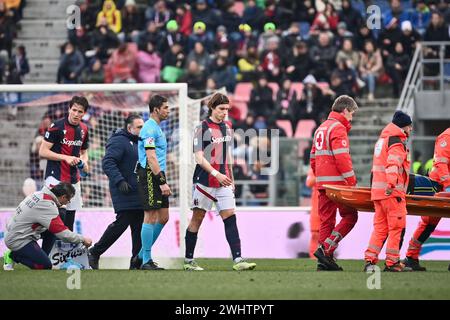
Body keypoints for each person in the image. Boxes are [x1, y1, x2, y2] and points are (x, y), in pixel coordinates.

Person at [184, 93, 257, 271]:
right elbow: (199, 157)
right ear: (212, 108)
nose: (225, 112)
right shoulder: (202, 127)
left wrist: (230, 176)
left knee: (230, 217)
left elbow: (227, 153)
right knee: (197, 219)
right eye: (221, 109)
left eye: (227, 109)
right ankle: (188, 261)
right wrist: (216, 173)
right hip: (204, 182)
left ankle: (238, 260)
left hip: (223, 181)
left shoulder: (228, 126)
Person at [88, 115, 145, 270]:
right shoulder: (119, 140)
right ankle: (94, 252)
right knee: (122, 222)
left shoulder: (140, 142)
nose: (142, 129)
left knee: (139, 226)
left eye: (143, 126)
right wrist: (120, 181)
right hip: (124, 190)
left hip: (138, 191)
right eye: (139, 126)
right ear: (129, 128)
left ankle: (136, 261)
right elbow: (108, 162)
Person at [310, 95, 359, 271]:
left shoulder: (321, 128)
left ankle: (324, 262)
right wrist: (351, 180)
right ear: (345, 110)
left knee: (326, 222)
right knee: (350, 216)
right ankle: (326, 250)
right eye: (351, 113)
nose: (351, 117)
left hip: (323, 184)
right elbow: (342, 157)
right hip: (338, 185)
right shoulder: (338, 128)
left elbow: (313, 158)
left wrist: (320, 177)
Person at [39, 96, 90, 254]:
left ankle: (63, 257)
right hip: (55, 178)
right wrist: (65, 158)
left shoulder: (84, 129)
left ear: (84, 113)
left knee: (69, 219)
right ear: (69, 109)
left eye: (79, 111)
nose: (76, 114)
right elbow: (42, 151)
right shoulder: (56, 126)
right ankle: (42, 254)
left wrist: (84, 161)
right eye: (73, 110)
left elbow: (84, 151)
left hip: (74, 180)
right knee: (54, 217)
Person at [364, 111, 413, 272]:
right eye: (409, 125)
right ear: (403, 126)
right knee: (396, 227)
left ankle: (369, 261)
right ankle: (392, 262)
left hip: (378, 193)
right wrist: (391, 185)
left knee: (380, 228)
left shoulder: (382, 140)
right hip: (391, 192)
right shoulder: (396, 141)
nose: (411, 129)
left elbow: (375, 168)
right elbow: (393, 163)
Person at [3, 183, 92, 270]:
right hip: (18, 239)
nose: (68, 202)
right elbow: (63, 233)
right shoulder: (47, 205)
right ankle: (13, 255)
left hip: (17, 232)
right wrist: (82, 239)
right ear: (63, 197)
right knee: (45, 266)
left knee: (52, 231)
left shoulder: (39, 194)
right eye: (68, 200)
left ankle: (43, 256)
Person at [404, 127, 450, 271]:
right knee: (428, 223)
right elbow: (441, 164)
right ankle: (410, 257)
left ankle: (410, 258)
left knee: (428, 223)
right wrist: (448, 185)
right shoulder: (447, 137)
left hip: (443, 186)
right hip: (439, 186)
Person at [136, 95, 171, 270]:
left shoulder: (156, 128)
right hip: (150, 175)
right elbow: (150, 157)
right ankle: (146, 261)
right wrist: (162, 182)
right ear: (156, 109)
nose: (168, 111)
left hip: (158, 174)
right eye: (165, 107)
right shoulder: (149, 129)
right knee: (150, 216)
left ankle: (141, 256)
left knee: (164, 217)